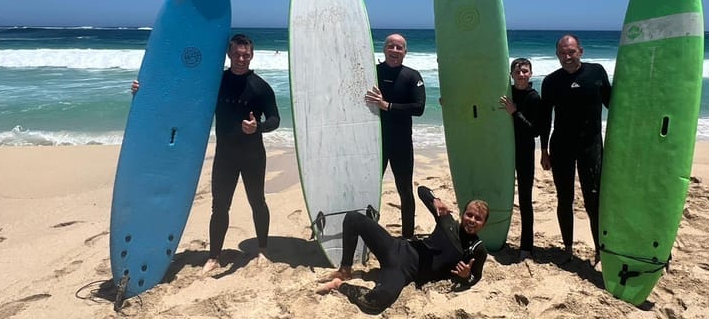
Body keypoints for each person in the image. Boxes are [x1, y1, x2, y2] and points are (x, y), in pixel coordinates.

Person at [131, 34, 281, 273]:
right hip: (225, 156)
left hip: (253, 155)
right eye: (237, 54)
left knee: (257, 202)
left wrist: (258, 127)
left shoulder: (260, 87)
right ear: (229, 54)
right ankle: (214, 256)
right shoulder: (215, 83)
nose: (241, 58)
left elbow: (275, 119)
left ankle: (262, 249)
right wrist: (144, 90)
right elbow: (181, 96)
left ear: (251, 55)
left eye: (246, 54)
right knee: (219, 206)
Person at [314, 186, 488, 314]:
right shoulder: (446, 220)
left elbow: (475, 277)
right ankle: (345, 270)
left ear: (484, 224)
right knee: (353, 218)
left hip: (403, 271)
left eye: (478, 218)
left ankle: (340, 285)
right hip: (395, 247)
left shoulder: (477, 250)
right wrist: (434, 199)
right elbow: (421, 190)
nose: (472, 220)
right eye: (469, 215)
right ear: (462, 214)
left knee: (377, 301)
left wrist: (466, 277)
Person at [539, 34, 611, 263]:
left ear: (580, 50)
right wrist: (543, 151)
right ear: (557, 55)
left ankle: (600, 249)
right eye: (562, 53)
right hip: (561, 147)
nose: (567, 57)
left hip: (591, 146)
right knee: (564, 198)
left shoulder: (596, 72)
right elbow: (544, 119)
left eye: (571, 52)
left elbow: (615, 104)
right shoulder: (550, 82)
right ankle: (568, 248)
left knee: (594, 198)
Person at [364, 33, 426, 240]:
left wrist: (387, 106)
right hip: (374, 143)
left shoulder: (412, 76)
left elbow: (418, 108)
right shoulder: (371, 72)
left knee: (405, 191)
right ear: (384, 49)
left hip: (400, 143)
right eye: (391, 46)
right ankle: (366, 234)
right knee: (369, 190)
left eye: (399, 48)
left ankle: (408, 238)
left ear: (405, 52)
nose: (395, 51)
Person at [498, 58, 542, 261]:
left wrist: (515, 113)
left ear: (531, 73)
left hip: (524, 153)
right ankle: (494, 238)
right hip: (504, 150)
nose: (521, 75)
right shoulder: (507, 94)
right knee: (498, 193)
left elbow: (535, 131)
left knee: (525, 199)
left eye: (525, 71)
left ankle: (526, 247)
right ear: (511, 74)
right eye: (517, 72)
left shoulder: (534, 97)